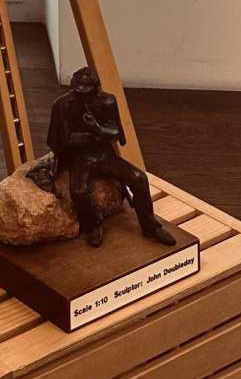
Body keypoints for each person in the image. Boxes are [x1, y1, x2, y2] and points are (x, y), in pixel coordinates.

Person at [46, 67, 176, 248]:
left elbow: (115, 133)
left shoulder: (107, 101)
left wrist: (96, 128)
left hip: (104, 154)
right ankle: (93, 224)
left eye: (87, 92)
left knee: (139, 177)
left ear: (96, 88)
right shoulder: (63, 105)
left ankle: (150, 225)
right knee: (78, 191)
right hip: (79, 157)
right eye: (79, 92)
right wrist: (97, 136)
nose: (83, 96)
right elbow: (64, 140)